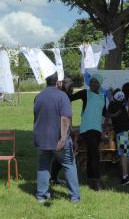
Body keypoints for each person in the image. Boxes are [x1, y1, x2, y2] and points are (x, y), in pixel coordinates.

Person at [33, 72, 80, 203]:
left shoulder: (38, 96)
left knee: (43, 165)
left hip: (41, 138)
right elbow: (65, 119)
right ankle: (75, 197)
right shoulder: (62, 96)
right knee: (69, 165)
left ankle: (41, 196)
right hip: (58, 139)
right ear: (58, 82)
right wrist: (64, 139)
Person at [69, 74, 107, 191]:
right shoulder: (85, 93)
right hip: (87, 128)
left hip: (97, 129)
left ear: (99, 83)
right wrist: (65, 89)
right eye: (91, 81)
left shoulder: (102, 97)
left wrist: (105, 128)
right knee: (94, 153)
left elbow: (104, 113)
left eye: (95, 82)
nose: (92, 83)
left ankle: (91, 177)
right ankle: (95, 181)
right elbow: (69, 98)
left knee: (92, 153)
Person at [108, 89, 129, 185]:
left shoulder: (112, 105)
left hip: (123, 133)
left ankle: (125, 177)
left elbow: (109, 115)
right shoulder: (122, 105)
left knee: (124, 155)